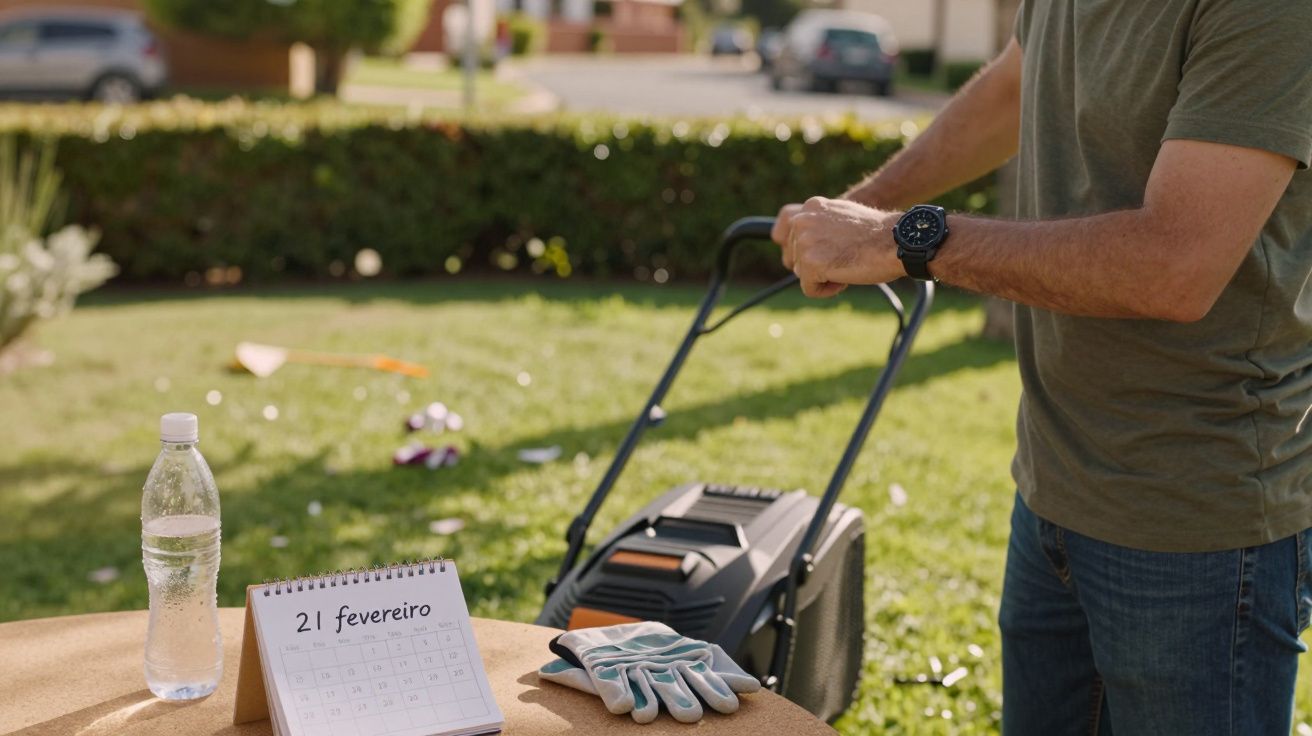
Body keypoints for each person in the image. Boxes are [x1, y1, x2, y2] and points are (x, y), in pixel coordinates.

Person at [769, 2, 1312, 734]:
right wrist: (860, 211)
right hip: (1054, 487)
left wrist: (906, 238)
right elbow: (1012, 87)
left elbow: (1174, 266)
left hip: (1197, 525)